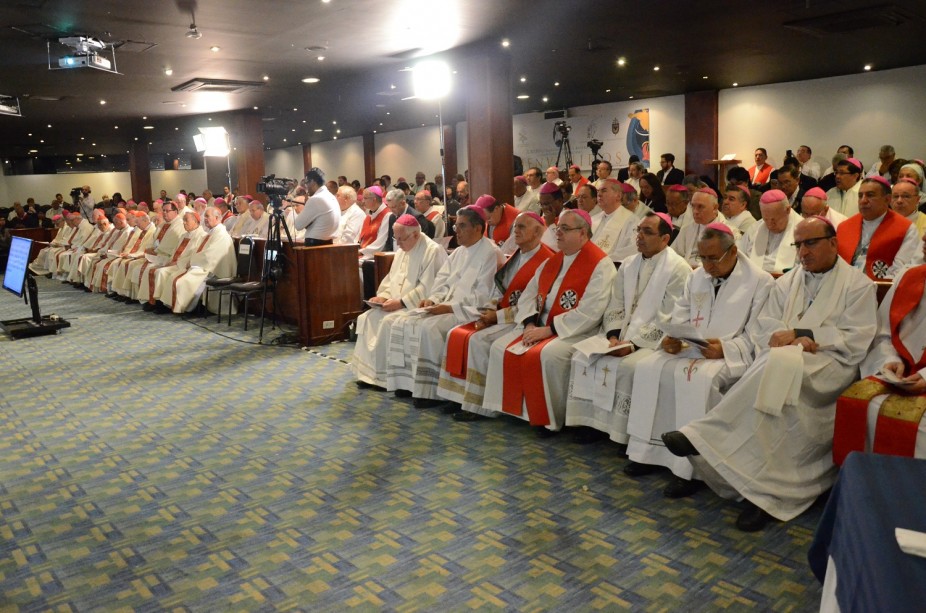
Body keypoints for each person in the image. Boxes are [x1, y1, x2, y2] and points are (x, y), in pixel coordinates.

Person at [662, 216, 877, 531]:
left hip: (831, 365)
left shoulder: (860, 285)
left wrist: (803, 335)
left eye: (811, 243)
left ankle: (704, 435)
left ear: (833, 242)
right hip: (785, 359)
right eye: (798, 244)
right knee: (775, 374)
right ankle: (760, 492)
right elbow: (767, 325)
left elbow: (857, 337)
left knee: (777, 367)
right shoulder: (788, 281)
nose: (803, 252)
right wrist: (787, 337)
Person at [625, 224, 774, 498]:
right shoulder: (696, 277)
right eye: (702, 257)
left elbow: (759, 332)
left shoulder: (759, 281)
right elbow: (680, 316)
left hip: (729, 355)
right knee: (648, 366)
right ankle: (647, 452)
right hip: (693, 349)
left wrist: (727, 348)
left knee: (701, 381)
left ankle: (690, 470)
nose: (707, 265)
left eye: (713, 258)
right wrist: (670, 339)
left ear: (733, 252)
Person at [482, 210, 616, 435]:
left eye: (565, 228)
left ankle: (548, 419)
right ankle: (517, 411)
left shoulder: (600, 264)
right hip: (542, 326)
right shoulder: (553, 261)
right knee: (499, 347)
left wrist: (549, 330)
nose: (558, 233)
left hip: (577, 331)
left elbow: (591, 312)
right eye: (558, 227)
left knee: (546, 355)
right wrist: (530, 325)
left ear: (583, 233)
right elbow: (528, 296)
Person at [565, 212, 691, 446]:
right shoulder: (629, 264)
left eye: (647, 232)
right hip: (621, 334)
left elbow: (669, 315)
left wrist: (633, 344)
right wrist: (613, 336)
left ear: (665, 239)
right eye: (639, 230)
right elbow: (617, 302)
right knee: (581, 358)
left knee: (630, 368)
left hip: (652, 340)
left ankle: (624, 435)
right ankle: (592, 424)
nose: (640, 236)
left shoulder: (678, 269)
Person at [438, 211, 554, 421]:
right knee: (458, 332)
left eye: (521, 227)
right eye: (514, 227)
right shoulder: (518, 255)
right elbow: (498, 291)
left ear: (538, 232)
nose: (515, 231)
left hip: (522, 321)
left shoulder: (546, 260)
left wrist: (496, 317)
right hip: (501, 314)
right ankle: (457, 397)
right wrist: (486, 313)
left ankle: (479, 406)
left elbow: (533, 305)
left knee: (478, 341)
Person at [385, 206, 503, 408]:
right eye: (456, 225)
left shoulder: (491, 253)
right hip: (445, 306)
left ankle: (431, 391)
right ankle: (409, 383)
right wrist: (432, 299)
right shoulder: (458, 252)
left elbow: (483, 295)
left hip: (468, 311)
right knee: (403, 322)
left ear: (477, 228)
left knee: (428, 329)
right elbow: (442, 282)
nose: (456, 230)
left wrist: (449, 307)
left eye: (462, 226)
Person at [833, 248, 926, 464]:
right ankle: (859, 485)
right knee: (853, 402)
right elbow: (882, 332)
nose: (923, 238)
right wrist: (890, 360)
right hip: (902, 372)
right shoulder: (908, 276)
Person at [352, 214, 448, 389]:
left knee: (388, 322)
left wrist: (402, 302)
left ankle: (386, 378)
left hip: (415, 306)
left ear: (416, 235)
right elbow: (392, 279)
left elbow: (428, 287)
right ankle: (369, 375)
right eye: (395, 239)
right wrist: (384, 296)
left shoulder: (432, 250)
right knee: (367, 317)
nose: (399, 244)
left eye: (401, 239)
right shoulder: (403, 249)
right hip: (395, 303)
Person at [836, 176, 920, 280]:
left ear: (887, 199)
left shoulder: (906, 228)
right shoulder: (844, 227)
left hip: (882, 290)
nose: (863, 201)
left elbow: (901, 269)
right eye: (860, 195)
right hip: (844, 286)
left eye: (870, 195)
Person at [153, 207, 236, 314]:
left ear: (216, 217)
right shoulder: (212, 232)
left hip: (213, 270)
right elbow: (199, 252)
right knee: (175, 277)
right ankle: (178, 307)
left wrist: (191, 261)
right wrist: (189, 261)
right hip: (203, 265)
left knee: (182, 281)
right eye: (204, 216)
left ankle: (188, 309)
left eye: (207, 216)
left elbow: (210, 256)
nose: (205, 219)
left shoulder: (221, 235)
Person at [737, 189, 803, 273]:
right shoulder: (754, 229)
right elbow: (741, 258)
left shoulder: (804, 231)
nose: (770, 224)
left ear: (787, 210)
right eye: (766, 219)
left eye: (774, 220)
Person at [672, 187, 730, 266]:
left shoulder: (728, 232)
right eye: (693, 206)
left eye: (700, 207)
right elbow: (674, 255)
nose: (695, 211)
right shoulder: (686, 228)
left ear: (715, 208)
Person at [591, 179, 637, 262]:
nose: (599, 194)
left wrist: (603, 261)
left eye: (604, 191)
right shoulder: (594, 219)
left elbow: (631, 249)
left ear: (618, 196)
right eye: (598, 191)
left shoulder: (632, 221)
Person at [295, 168, 340, 245]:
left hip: (315, 244)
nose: (306, 187)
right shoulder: (331, 197)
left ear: (312, 182)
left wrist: (303, 210)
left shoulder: (316, 199)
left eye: (306, 183)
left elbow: (298, 225)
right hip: (328, 243)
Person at [539, 182, 566, 251]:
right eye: (541, 204)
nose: (544, 208)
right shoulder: (540, 220)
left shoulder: (571, 218)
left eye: (547, 204)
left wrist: (551, 224)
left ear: (560, 201)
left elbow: (563, 248)